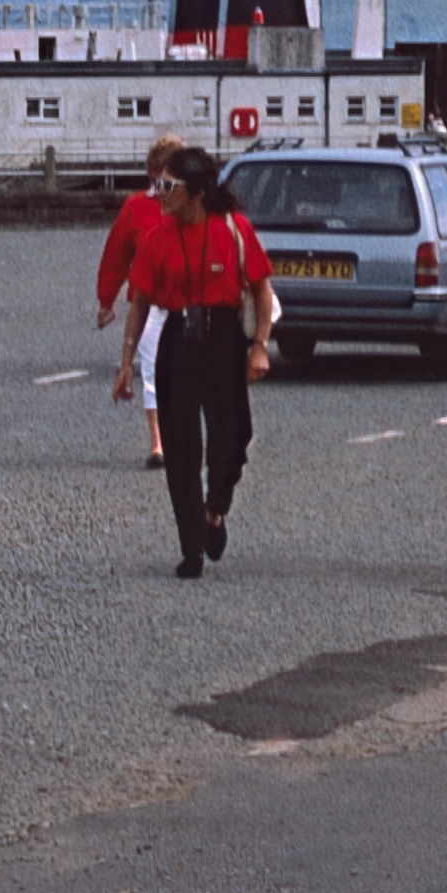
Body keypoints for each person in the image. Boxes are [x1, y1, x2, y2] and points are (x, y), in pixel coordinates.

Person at [114, 148, 275, 580]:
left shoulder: (234, 230)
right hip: (177, 343)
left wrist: (259, 345)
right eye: (157, 185)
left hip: (223, 340)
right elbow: (141, 301)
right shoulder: (156, 237)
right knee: (182, 450)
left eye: (168, 186)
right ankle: (191, 549)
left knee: (234, 438)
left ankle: (214, 511)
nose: (159, 194)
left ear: (197, 191)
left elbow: (261, 290)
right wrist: (127, 360)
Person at [94, 138, 181, 469]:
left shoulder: (193, 208)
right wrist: (107, 300)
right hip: (148, 306)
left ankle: (184, 436)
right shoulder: (135, 208)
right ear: (152, 172)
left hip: (187, 305)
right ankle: (158, 443)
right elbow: (116, 255)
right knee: (152, 371)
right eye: (165, 174)